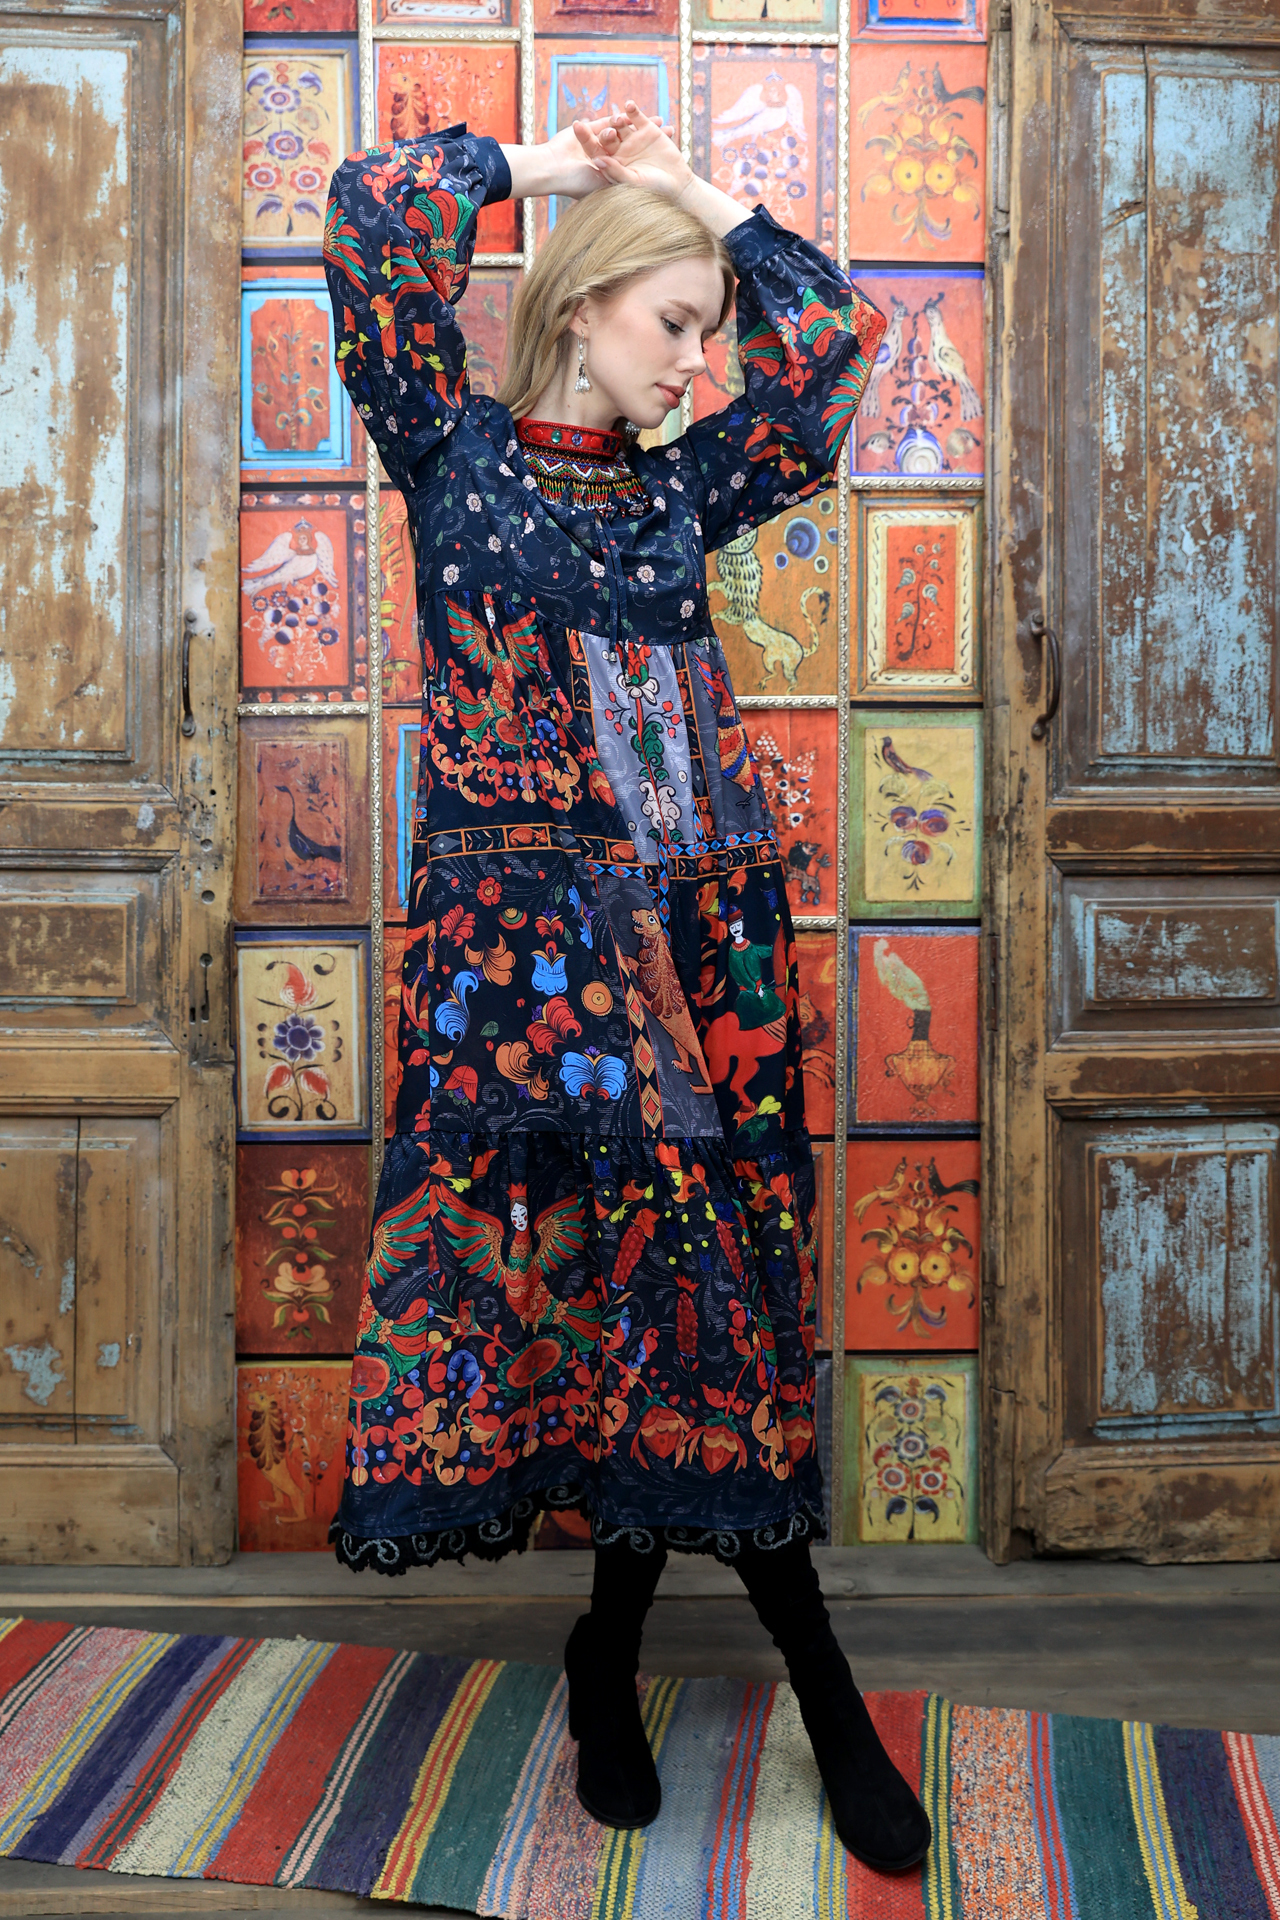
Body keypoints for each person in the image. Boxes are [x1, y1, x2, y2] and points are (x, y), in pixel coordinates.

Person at [322, 103, 930, 1874]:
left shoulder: (681, 483)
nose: (693, 366)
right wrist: (572, 179)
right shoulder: (446, 450)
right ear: (581, 305)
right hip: (526, 978)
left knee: (695, 1304)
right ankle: (723, 1671)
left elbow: (833, 351)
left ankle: (714, 1664)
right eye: (671, 323)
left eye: (703, 335)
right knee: (611, 1310)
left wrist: (693, 195)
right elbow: (373, 209)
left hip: (698, 949)